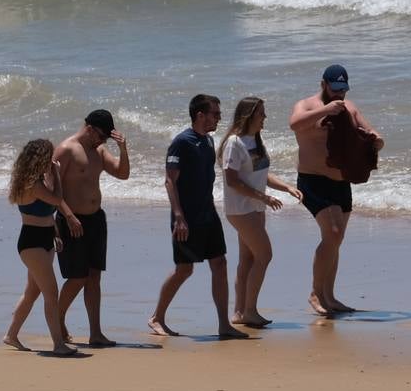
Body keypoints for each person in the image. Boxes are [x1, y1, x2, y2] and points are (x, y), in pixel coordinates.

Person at [148, 94, 248, 340]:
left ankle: (224, 325)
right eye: (215, 113)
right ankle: (156, 317)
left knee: (220, 263)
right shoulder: (182, 142)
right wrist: (179, 217)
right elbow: (170, 181)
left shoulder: (208, 142)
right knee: (184, 269)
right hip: (186, 218)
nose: (219, 117)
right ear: (200, 115)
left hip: (208, 214)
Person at [288, 64, 384, 316]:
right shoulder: (307, 106)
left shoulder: (349, 107)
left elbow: (372, 132)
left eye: (343, 90)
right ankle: (314, 293)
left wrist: (375, 140)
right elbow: (294, 124)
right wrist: (325, 110)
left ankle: (329, 296)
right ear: (323, 85)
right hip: (312, 179)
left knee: (336, 239)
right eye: (335, 89)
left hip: (340, 181)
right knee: (331, 234)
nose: (339, 95)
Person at [219, 96, 302, 326]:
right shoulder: (234, 143)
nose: (264, 117)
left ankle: (239, 312)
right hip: (241, 209)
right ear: (249, 116)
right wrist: (264, 197)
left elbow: (261, 174)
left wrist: (286, 187)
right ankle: (250, 311)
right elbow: (232, 180)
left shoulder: (255, 140)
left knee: (248, 259)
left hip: (254, 208)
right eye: (261, 113)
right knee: (265, 255)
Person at [54, 109, 129, 347]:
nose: (103, 140)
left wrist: (123, 149)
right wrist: (68, 216)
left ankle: (95, 333)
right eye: (101, 135)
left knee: (94, 276)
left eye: (107, 137)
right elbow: (51, 189)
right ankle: (56, 319)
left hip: (96, 220)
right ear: (89, 128)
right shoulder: (67, 149)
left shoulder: (99, 151)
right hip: (71, 221)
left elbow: (122, 174)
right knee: (77, 277)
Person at [3, 139, 82, 356]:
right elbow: (57, 199)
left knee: (32, 292)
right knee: (51, 293)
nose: (52, 160)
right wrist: (56, 174)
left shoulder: (37, 181)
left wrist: (55, 232)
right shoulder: (32, 185)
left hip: (46, 238)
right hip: (32, 243)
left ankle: (11, 335)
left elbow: (47, 213)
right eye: (48, 157)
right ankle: (58, 344)